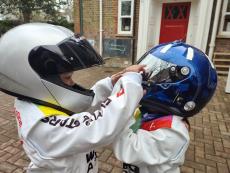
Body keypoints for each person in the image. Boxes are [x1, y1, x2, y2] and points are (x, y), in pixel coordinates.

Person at [0, 23, 146, 173]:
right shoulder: (40, 126)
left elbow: (80, 106)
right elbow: (98, 126)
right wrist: (131, 84)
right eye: (67, 77)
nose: (71, 82)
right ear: (31, 78)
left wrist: (110, 83)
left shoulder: (39, 100)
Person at [112, 41, 217, 173]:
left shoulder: (173, 133)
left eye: (160, 78)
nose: (147, 80)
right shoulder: (147, 112)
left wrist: (124, 98)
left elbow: (126, 148)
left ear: (178, 92)